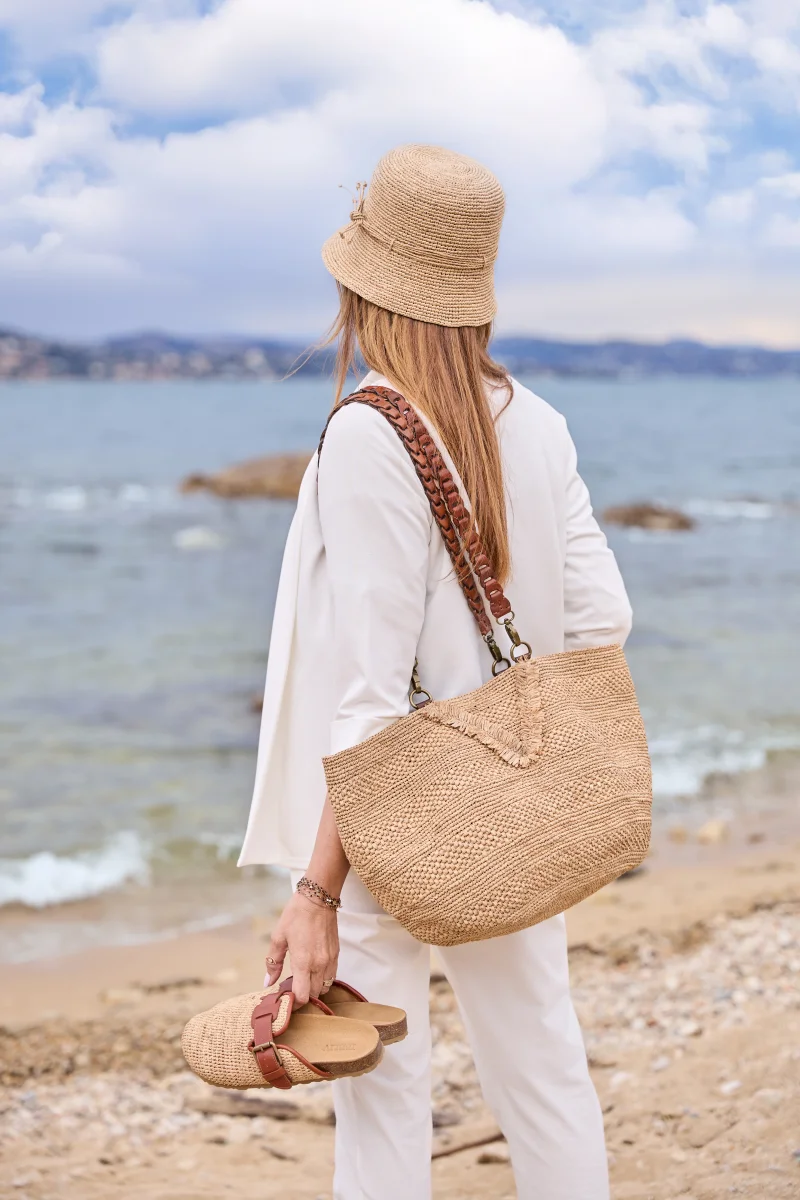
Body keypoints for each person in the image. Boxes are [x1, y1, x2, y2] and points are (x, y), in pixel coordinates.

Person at [239, 143, 632, 1200]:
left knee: (380, 1091)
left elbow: (369, 696)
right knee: (542, 1065)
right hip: (513, 799)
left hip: (389, 816)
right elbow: (604, 616)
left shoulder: (372, 433)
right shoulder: (537, 422)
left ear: (366, 284)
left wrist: (315, 892)